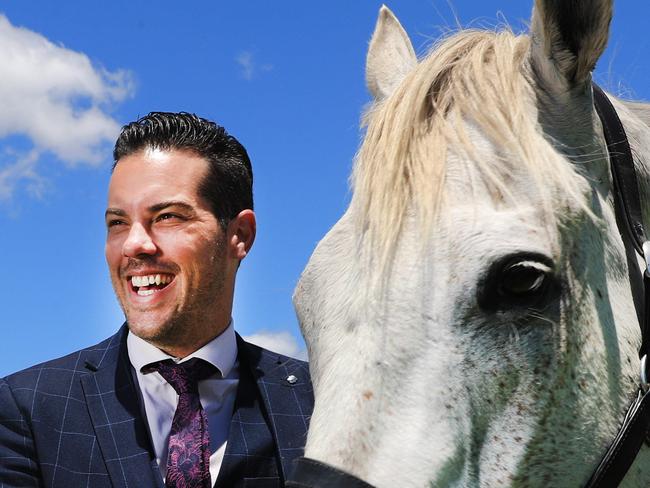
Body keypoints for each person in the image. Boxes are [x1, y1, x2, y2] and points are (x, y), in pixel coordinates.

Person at [0, 112, 313, 488]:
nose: (134, 244)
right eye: (117, 223)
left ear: (240, 235)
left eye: (166, 217)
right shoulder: (27, 408)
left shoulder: (317, 402)